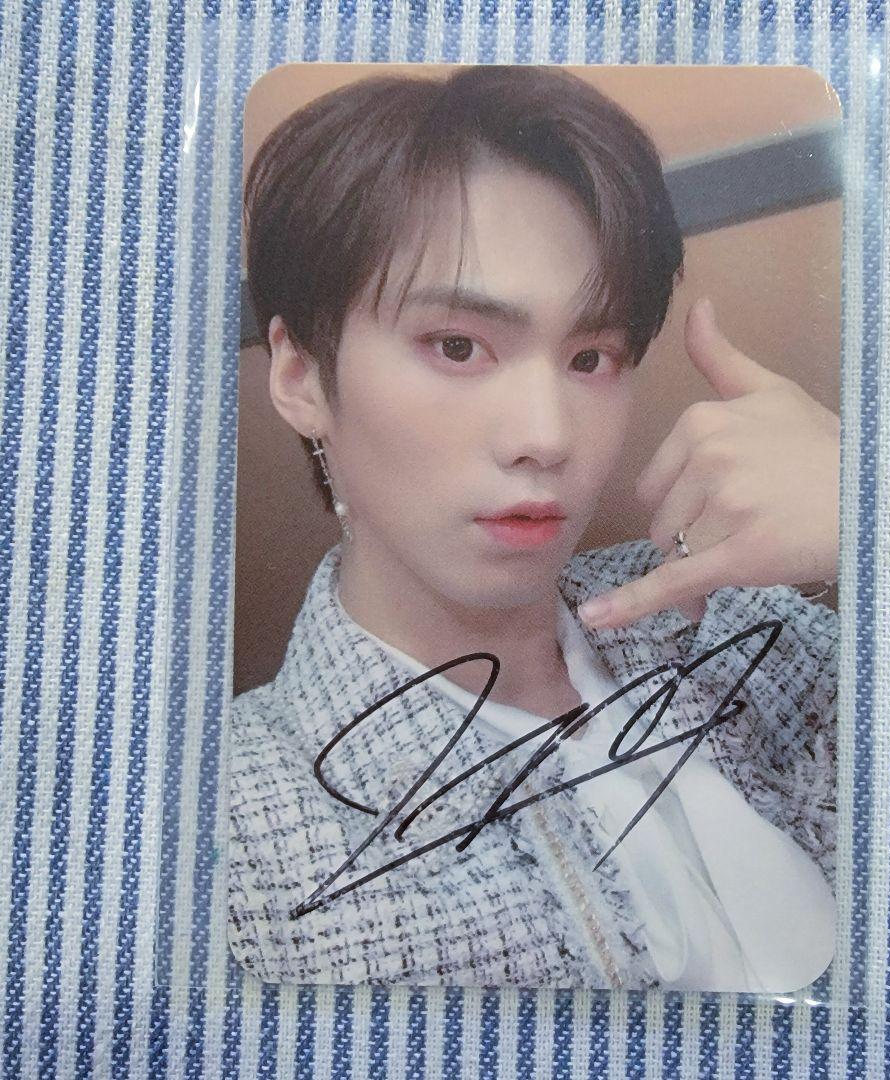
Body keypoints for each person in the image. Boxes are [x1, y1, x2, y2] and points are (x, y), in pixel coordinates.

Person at [228, 65, 842, 991]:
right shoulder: (232, 834)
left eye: (591, 357)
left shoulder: (736, 615)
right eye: (458, 346)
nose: (547, 437)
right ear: (302, 376)